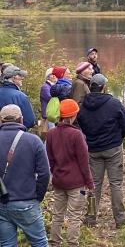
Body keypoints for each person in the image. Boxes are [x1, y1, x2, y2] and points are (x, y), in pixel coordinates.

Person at [77, 74, 125, 228]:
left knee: (94, 184)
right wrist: (117, 138)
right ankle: (120, 219)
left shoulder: (82, 105)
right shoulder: (113, 103)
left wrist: (92, 138)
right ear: (103, 87)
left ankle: (90, 218)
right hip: (113, 148)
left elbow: (81, 124)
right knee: (115, 183)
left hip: (93, 149)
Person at [0, 104, 50, 247]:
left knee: (6, 244)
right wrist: (37, 196)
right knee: (39, 242)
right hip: (27, 201)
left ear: (1, 121)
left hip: (2, 204)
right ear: (21, 120)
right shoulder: (33, 140)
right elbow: (44, 173)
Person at [46, 99, 94, 246]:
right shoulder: (76, 135)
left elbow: (50, 158)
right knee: (75, 216)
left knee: (57, 215)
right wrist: (90, 182)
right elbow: (83, 162)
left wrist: (55, 172)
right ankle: (72, 244)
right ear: (73, 116)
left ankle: (55, 243)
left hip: (59, 181)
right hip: (76, 183)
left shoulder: (51, 133)